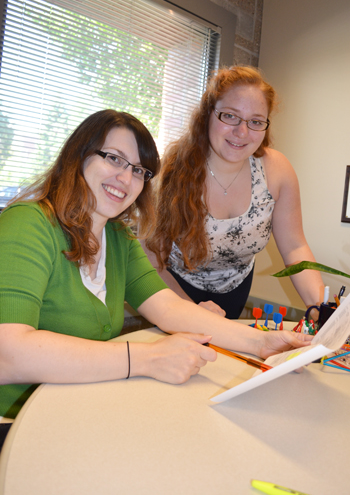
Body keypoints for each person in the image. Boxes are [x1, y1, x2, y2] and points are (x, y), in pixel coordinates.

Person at [0, 109, 313, 449]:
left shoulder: (118, 238)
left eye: (138, 170)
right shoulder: (29, 225)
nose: (126, 178)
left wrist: (259, 343)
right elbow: (8, 353)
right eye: (115, 159)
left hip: (76, 411)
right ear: (79, 155)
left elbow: (166, 306)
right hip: (16, 426)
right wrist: (147, 358)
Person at [145, 66, 324, 319]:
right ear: (208, 114)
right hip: (172, 288)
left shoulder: (277, 171)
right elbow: (152, 263)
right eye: (230, 116)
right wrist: (192, 312)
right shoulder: (173, 172)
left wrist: (321, 307)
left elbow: (295, 249)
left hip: (235, 289)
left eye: (255, 121)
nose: (242, 132)